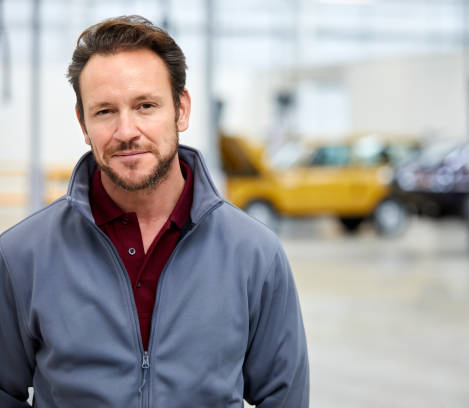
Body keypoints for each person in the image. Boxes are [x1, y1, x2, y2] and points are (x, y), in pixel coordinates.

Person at [0, 15, 309, 407]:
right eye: (105, 111)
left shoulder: (256, 254)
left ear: (181, 109)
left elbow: (284, 397)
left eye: (145, 105)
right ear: (83, 123)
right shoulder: (20, 256)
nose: (127, 130)